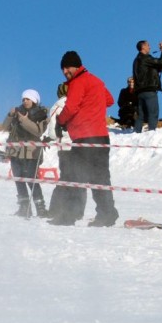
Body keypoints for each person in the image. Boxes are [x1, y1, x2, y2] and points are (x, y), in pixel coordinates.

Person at [52, 51, 119, 227]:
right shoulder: (96, 81)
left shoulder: (78, 82)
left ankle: (69, 216)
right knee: (101, 178)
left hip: (84, 137)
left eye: (68, 68)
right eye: (63, 69)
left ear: (76, 65)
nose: (66, 72)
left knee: (75, 176)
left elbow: (71, 107)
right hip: (101, 137)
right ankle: (107, 214)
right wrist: (92, 106)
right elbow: (109, 100)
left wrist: (60, 121)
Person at [3, 89, 49, 218]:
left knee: (31, 179)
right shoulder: (18, 112)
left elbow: (38, 131)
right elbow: (4, 127)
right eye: (23, 99)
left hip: (31, 152)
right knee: (18, 179)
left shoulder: (41, 114)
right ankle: (24, 207)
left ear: (34, 100)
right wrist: (10, 115)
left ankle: (41, 209)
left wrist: (24, 120)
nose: (24, 101)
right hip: (16, 151)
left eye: (28, 99)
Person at [44, 82, 75, 221]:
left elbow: (51, 133)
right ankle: (75, 211)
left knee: (65, 179)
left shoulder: (56, 106)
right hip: (77, 145)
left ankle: (56, 209)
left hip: (64, 147)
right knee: (76, 179)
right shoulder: (76, 104)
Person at [132, 40, 162, 133]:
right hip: (149, 90)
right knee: (153, 112)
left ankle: (136, 132)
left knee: (141, 115)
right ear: (143, 47)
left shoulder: (136, 60)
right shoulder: (145, 58)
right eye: (148, 45)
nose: (150, 47)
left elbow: (155, 66)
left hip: (139, 92)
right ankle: (151, 132)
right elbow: (160, 62)